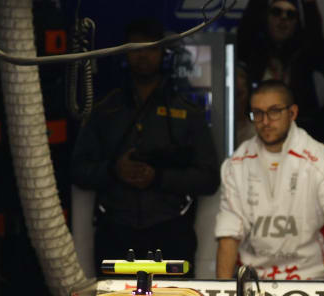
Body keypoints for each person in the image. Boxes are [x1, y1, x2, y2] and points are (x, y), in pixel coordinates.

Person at [71, 17, 220, 270]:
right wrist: (114, 171)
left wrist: (159, 177)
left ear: (162, 53)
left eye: (151, 48)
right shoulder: (105, 110)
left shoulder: (187, 112)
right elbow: (78, 170)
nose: (143, 56)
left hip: (170, 230)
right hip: (115, 230)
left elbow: (209, 179)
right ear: (125, 54)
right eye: (135, 49)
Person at [216, 80, 324, 282]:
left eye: (274, 111)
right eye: (257, 113)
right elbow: (228, 234)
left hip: (312, 281)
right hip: (253, 282)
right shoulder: (236, 164)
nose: (265, 121)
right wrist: (224, 295)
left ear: (292, 113)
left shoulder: (319, 159)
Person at [236, 0, 324, 121]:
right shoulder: (253, 52)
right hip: (257, 125)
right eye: (276, 12)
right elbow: (247, 27)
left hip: (297, 129)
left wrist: (308, 4)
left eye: (290, 15)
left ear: (297, 22)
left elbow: (315, 36)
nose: (283, 17)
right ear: (266, 17)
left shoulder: (304, 56)